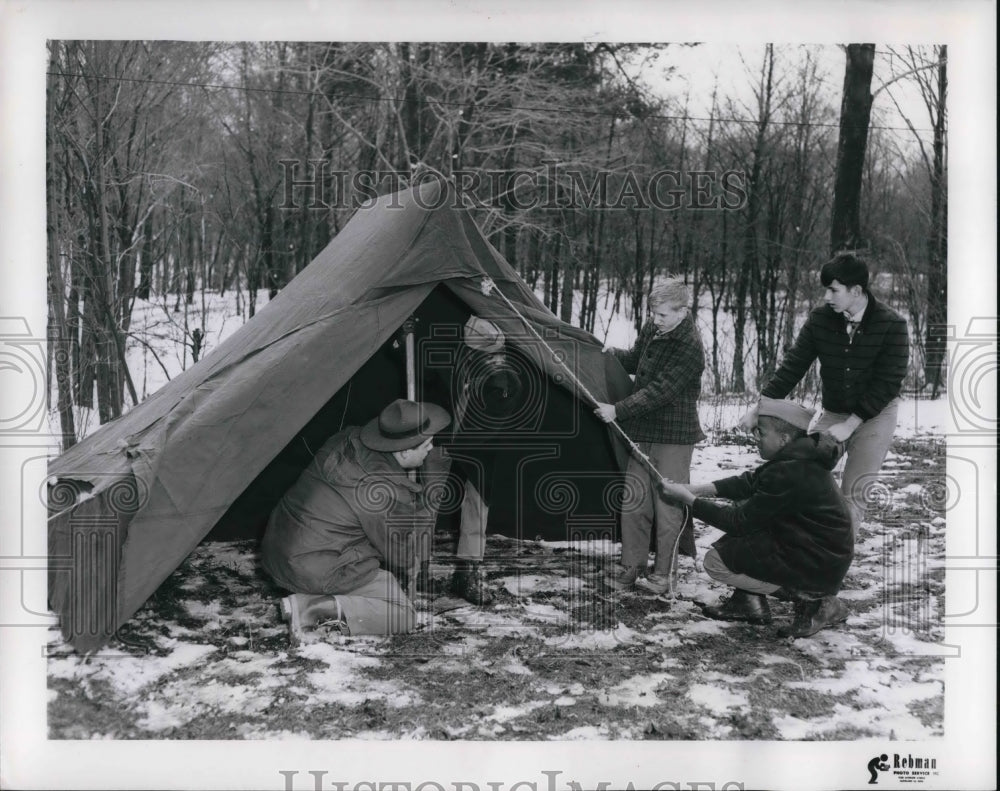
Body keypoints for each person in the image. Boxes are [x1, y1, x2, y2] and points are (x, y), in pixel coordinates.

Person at [741, 252, 909, 532]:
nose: (827, 297)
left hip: (876, 415)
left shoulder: (892, 325)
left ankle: (834, 566)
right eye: (826, 290)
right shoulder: (821, 319)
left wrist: (852, 424)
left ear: (856, 290)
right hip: (834, 412)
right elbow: (792, 367)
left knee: (854, 492)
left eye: (833, 290)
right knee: (799, 474)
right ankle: (795, 546)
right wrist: (759, 409)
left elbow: (888, 383)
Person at [660, 397, 855, 638]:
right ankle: (748, 600)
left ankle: (815, 601)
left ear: (783, 439)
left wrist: (689, 501)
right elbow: (751, 482)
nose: (756, 439)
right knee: (744, 516)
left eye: (761, 433)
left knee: (715, 562)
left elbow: (738, 523)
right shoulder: (799, 456)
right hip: (818, 550)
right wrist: (697, 489)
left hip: (817, 561)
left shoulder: (790, 470)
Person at [260, 399, 451, 642]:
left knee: (380, 568)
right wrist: (434, 483)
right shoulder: (380, 492)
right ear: (404, 450)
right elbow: (403, 556)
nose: (431, 448)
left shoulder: (346, 440)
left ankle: (313, 601)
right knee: (402, 615)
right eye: (426, 444)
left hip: (281, 546)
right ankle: (311, 609)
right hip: (315, 568)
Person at [593, 277, 706, 595]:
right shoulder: (654, 328)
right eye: (653, 314)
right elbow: (636, 361)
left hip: (674, 436)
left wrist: (618, 410)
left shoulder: (690, 348)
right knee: (635, 500)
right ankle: (633, 565)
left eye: (663, 315)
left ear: (683, 311)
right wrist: (609, 353)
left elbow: (660, 391)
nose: (655, 321)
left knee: (668, 505)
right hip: (643, 431)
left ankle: (663, 575)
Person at [446, 315, 528, 605]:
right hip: (451, 439)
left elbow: (491, 425)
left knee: (475, 507)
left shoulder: (502, 379)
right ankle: (414, 567)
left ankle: (467, 572)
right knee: (427, 501)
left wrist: (462, 450)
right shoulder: (469, 363)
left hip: (477, 450)